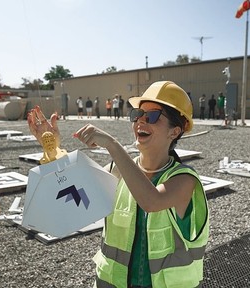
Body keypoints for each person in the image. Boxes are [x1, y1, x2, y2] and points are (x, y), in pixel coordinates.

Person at [27, 81, 209, 288]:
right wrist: (53, 151)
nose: (140, 121)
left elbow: (151, 200)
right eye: (137, 115)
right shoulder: (117, 169)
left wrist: (112, 145)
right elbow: (73, 200)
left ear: (174, 131)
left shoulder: (184, 180)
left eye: (152, 116)